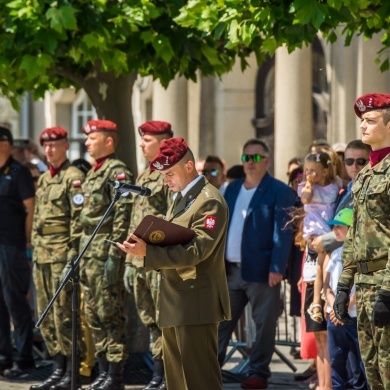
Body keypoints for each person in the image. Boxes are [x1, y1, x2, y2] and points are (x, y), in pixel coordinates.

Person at [118, 137, 231, 390]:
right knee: (178, 381)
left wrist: (149, 253)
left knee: (200, 380)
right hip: (175, 300)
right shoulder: (180, 199)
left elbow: (197, 250)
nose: (165, 180)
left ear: (189, 166)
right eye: (163, 174)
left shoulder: (209, 200)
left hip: (195, 302)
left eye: (170, 173)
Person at [217, 138, 297, 389]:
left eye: (255, 157)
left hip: (262, 272)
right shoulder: (231, 188)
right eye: (245, 158)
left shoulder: (279, 190)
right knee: (219, 324)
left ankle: (258, 372)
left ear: (267, 160)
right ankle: (210, 368)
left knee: (264, 325)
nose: (250, 163)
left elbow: (282, 234)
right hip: (230, 271)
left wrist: (277, 267)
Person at [334, 93, 390, 390]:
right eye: (362, 121)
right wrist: (345, 284)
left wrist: (389, 290)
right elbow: (354, 233)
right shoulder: (366, 174)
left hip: (385, 284)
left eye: (370, 120)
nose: (363, 127)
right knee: (373, 374)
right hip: (366, 284)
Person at [79, 119, 133, 390]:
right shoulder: (92, 173)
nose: (87, 142)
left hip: (104, 253)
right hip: (88, 253)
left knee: (109, 313)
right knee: (93, 314)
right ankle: (102, 370)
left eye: (93, 138)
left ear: (108, 141)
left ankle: (115, 374)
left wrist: (115, 255)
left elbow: (122, 217)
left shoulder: (117, 172)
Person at [30, 127, 85, 390]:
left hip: (62, 254)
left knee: (64, 315)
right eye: (46, 146)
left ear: (66, 146)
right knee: (46, 315)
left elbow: (78, 220)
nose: (49, 150)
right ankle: (57, 366)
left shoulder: (73, 178)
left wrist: (73, 255)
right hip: (42, 255)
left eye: (55, 145)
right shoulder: (43, 180)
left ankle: (72, 371)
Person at [123, 120, 173, 390]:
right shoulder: (144, 176)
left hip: (157, 260)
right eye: (141, 139)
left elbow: (175, 219)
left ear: (164, 143)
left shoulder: (170, 174)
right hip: (138, 260)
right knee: (149, 319)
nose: (141, 144)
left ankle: (165, 375)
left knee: (163, 317)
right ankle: (158, 373)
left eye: (147, 140)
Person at [0, 124, 35, 376]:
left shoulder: (18, 171)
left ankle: (24, 358)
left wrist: (27, 241)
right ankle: (4, 356)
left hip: (12, 245)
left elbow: (29, 209)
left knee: (15, 301)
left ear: (4, 144)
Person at [323, 208, 368, 390]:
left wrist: (343, 308)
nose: (335, 230)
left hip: (354, 317)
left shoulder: (362, 254)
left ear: (352, 228)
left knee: (358, 366)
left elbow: (363, 286)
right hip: (335, 317)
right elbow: (327, 286)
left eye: (340, 226)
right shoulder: (335, 253)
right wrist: (334, 307)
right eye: (334, 227)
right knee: (337, 360)